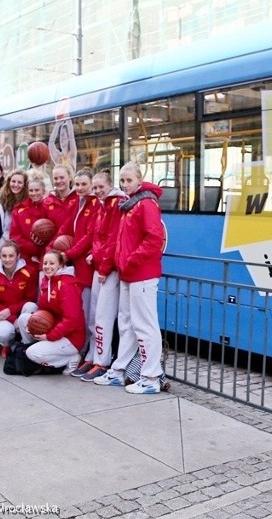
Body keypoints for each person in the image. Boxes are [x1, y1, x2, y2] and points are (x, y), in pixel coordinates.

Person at [94, 162, 166, 394]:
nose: (125, 184)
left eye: (129, 180)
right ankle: (120, 370)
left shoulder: (145, 204)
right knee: (127, 323)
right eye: (122, 180)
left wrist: (129, 260)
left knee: (145, 325)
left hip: (141, 275)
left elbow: (154, 239)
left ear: (139, 179)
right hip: (129, 274)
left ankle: (151, 376)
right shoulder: (130, 204)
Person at [71, 169, 126, 381]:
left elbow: (113, 239)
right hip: (100, 266)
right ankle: (93, 356)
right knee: (94, 314)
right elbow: (97, 236)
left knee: (103, 316)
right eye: (95, 188)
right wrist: (95, 254)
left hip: (108, 269)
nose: (97, 191)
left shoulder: (115, 205)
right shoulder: (102, 205)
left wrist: (103, 266)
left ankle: (102, 362)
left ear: (110, 185)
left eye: (100, 187)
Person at [15, 250, 84, 374]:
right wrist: (35, 325)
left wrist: (49, 336)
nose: (47, 266)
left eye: (52, 263)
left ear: (61, 265)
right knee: (24, 319)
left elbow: (72, 320)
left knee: (33, 353)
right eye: (45, 263)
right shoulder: (47, 281)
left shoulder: (67, 285)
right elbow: (44, 311)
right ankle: (31, 348)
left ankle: (69, 359)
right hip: (54, 328)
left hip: (71, 338)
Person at [50, 168, 97, 332]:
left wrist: (67, 254)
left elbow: (89, 237)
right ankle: (81, 346)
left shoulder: (96, 203)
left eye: (84, 184)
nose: (80, 188)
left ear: (92, 185)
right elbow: (66, 227)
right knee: (77, 309)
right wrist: (52, 250)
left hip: (87, 264)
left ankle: (89, 349)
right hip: (76, 263)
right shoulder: (78, 202)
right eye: (77, 184)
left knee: (90, 311)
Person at [0, 239, 38, 357]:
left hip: (19, 311)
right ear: (0, 257)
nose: (7, 259)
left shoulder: (29, 272)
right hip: (2, 314)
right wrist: (12, 318)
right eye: (4, 256)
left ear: (18, 256)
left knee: (31, 306)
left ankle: (25, 344)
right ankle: (8, 345)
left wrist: (11, 311)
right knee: (3, 334)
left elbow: (30, 298)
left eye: (11, 256)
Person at [9, 177, 47, 264]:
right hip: (25, 257)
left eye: (37, 190)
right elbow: (15, 236)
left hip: (47, 257)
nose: (34, 193)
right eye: (31, 190)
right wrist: (34, 248)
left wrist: (42, 248)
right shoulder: (19, 210)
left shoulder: (50, 208)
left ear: (43, 191)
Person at [0, 169, 29, 253]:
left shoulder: (28, 202)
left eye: (20, 182)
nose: (16, 185)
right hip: (4, 244)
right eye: (13, 181)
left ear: (25, 185)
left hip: (21, 246)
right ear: (8, 182)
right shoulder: (0, 201)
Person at [42, 165, 78, 229]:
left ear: (69, 177)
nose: (58, 181)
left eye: (62, 177)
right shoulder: (47, 202)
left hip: (74, 238)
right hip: (54, 239)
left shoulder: (79, 199)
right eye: (55, 178)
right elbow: (42, 225)